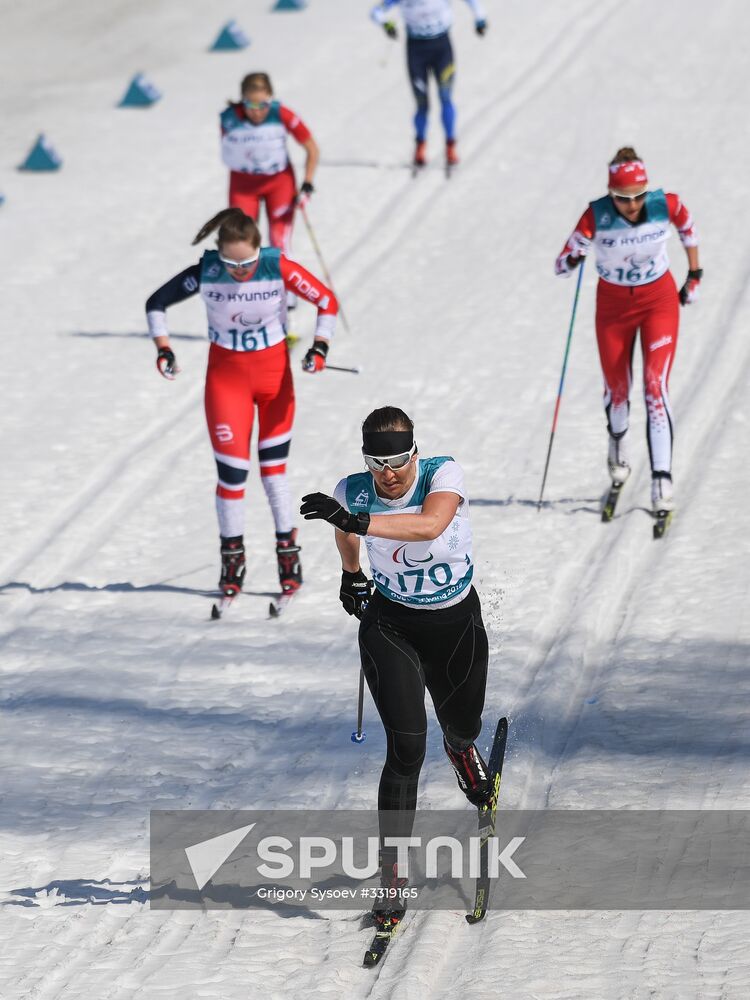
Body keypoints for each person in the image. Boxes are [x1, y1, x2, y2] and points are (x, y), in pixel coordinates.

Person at [300, 406, 492, 923]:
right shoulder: (352, 490)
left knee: (461, 724)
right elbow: (346, 531)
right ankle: (393, 877)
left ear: (414, 452)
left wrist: (356, 521)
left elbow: (430, 526)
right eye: (376, 461)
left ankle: (462, 751)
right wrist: (351, 573)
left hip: (454, 626)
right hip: (392, 626)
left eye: (398, 459)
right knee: (406, 749)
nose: (389, 472)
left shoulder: (440, 474)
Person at [145, 207, 337, 600]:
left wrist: (320, 346)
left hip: (273, 382)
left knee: (272, 473)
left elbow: (327, 301)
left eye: (247, 261)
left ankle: (288, 555)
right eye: (230, 262)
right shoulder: (207, 271)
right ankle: (232, 560)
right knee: (232, 476)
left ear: (259, 251)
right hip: (226, 383)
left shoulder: (276, 266)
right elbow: (155, 303)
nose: (239, 270)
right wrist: (163, 348)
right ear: (218, 254)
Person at [555, 147, 702, 516]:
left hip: (658, 302)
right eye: (623, 198)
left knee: (656, 386)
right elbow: (560, 266)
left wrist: (695, 274)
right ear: (611, 194)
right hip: (614, 308)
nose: (632, 205)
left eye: (638, 196)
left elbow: (688, 229)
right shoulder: (596, 214)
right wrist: (576, 254)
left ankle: (662, 480)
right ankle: (618, 452)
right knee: (617, 394)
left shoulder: (665, 204)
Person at [220, 72, 319, 308]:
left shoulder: (281, 114)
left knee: (279, 243)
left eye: (262, 104)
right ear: (242, 100)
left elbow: (312, 149)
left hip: (279, 184)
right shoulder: (228, 117)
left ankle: (288, 302)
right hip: (244, 185)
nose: (256, 111)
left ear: (271, 99)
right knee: (240, 244)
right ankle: (247, 300)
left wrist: (306, 184)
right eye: (250, 105)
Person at [370, 0, 487, 169]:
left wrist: (480, 19)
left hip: (441, 47)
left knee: (445, 97)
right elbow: (376, 12)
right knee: (422, 104)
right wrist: (386, 24)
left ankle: (450, 145)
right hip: (416, 50)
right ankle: (420, 145)